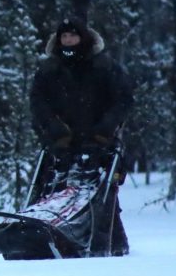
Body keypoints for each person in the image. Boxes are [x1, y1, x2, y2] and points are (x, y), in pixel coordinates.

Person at [29, 16, 133, 256]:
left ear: (83, 37)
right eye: (64, 36)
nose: (68, 40)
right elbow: (38, 103)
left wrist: (104, 130)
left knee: (101, 195)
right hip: (61, 142)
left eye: (73, 35)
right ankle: (44, 238)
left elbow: (123, 99)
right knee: (52, 192)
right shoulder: (49, 69)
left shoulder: (103, 66)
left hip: (98, 141)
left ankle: (110, 246)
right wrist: (54, 129)